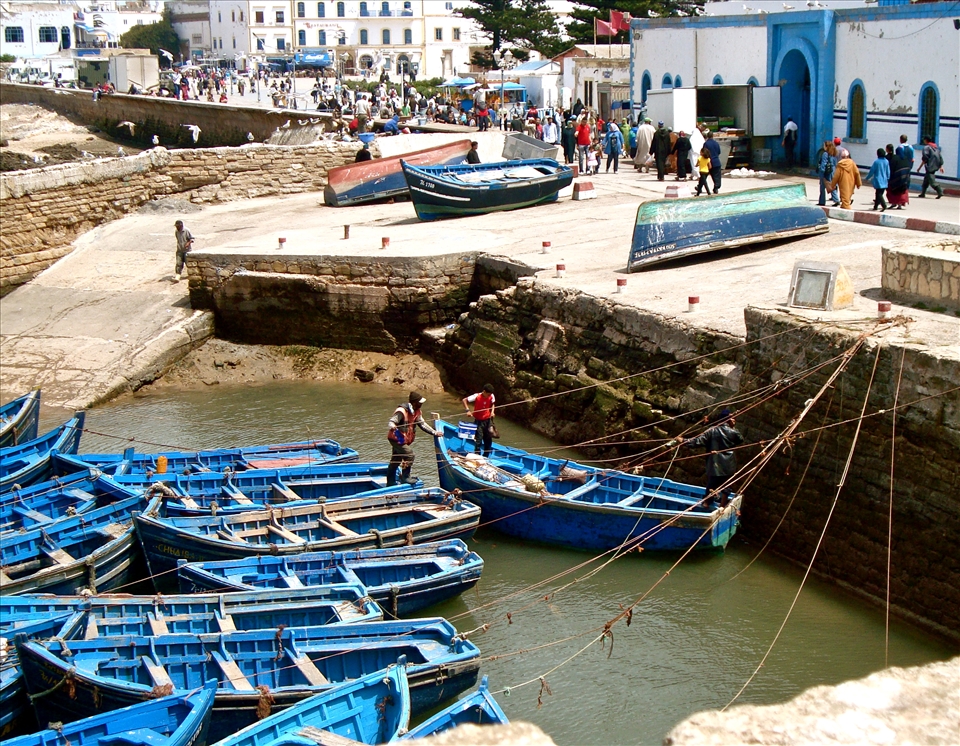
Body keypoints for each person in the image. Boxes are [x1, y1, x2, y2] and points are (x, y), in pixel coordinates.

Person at [678, 409, 744, 507]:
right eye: (732, 418)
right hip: (729, 464)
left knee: (712, 483)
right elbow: (740, 440)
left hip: (715, 463)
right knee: (727, 484)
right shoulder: (733, 432)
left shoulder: (712, 430)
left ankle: (706, 503)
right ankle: (722, 505)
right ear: (728, 419)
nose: (734, 420)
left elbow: (698, 441)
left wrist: (684, 441)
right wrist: (733, 428)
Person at [386, 391, 439, 486]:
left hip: (402, 439)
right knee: (409, 455)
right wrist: (393, 426)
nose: (421, 404)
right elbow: (391, 422)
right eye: (420, 402)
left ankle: (390, 482)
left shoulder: (417, 411)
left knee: (396, 460)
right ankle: (405, 477)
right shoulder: (402, 411)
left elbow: (422, 424)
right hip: (397, 437)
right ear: (414, 402)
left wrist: (434, 432)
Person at [463, 384, 496, 457]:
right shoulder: (476, 396)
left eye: (490, 394)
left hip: (487, 420)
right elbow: (464, 400)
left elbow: (493, 404)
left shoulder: (491, 396)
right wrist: (467, 411)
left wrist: (492, 412)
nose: (489, 396)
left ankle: (486, 456)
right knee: (479, 440)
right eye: (488, 394)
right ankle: (477, 455)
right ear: (484, 391)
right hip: (479, 421)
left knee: (488, 439)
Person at [887, 145, 912, 210]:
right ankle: (900, 205)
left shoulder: (894, 158)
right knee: (902, 192)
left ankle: (893, 203)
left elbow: (891, 168)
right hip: (905, 178)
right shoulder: (905, 158)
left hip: (896, 178)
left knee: (894, 190)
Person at [817, 140, 839, 207]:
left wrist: (821, 172)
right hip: (832, 171)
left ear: (826, 146)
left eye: (824, 145)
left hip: (825, 173)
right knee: (831, 185)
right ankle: (836, 199)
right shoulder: (833, 153)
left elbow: (823, 163)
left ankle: (822, 201)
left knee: (822, 187)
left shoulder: (825, 154)